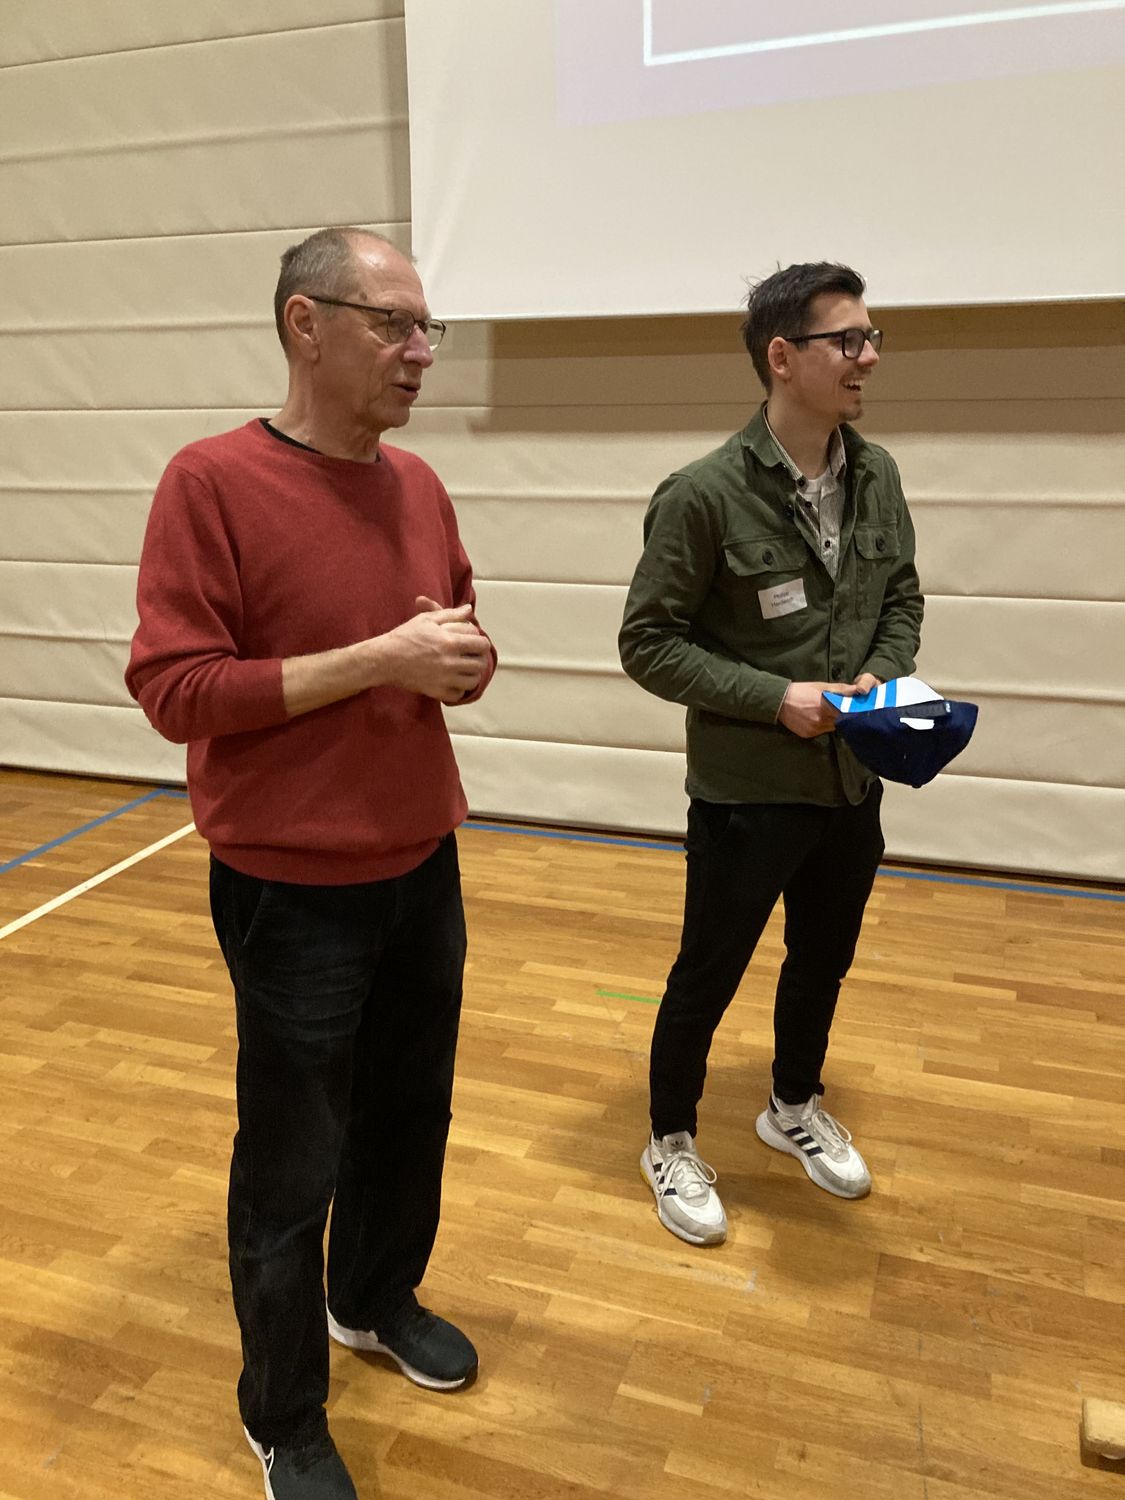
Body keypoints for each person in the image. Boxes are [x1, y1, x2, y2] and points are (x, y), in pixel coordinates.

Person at [126, 227, 496, 1499]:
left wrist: (461, 659)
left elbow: (453, 634)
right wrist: (381, 660)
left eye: (428, 328)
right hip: (291, 889)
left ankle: (373, 1299)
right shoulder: (210, 483)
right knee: (291, 1163)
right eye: (396, 325)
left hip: (421, 861)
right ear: (306, 325)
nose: (421, 352)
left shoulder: (420, 485)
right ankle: (283, 1415)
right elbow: (176, 690)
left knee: (410, 1113)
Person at [619, 262, 924, 1248]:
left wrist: (877, 677)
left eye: (872, 338)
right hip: (747, 795)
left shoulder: (876, 476)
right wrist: (775, 698)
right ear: (782, 357)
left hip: (851, 781)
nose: (868, 357)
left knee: (822, 960)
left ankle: (792, 1104)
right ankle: (669, 1139)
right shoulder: (703, 495)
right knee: (706, 973)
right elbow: (648, 643)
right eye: (849, 340)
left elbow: (902, 599)